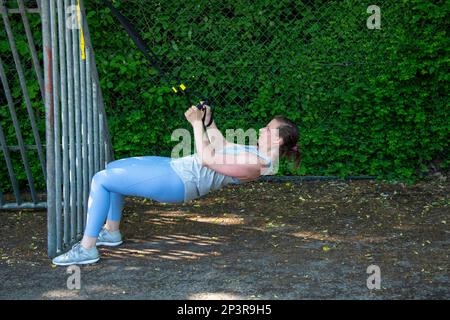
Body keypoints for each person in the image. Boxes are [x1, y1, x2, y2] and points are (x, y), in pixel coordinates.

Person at [52, 104, 301, 265]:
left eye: (267, 129)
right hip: (178, 168)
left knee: (101, 179)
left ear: (278, 140)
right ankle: (112, 232)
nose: (261, 129)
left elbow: (208, 159)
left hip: (178, 181)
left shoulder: (254, 164)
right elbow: (222, 145)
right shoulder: (258, 154)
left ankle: (87, 249)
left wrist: (194, 123)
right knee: (114, 168)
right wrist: (208, 120)